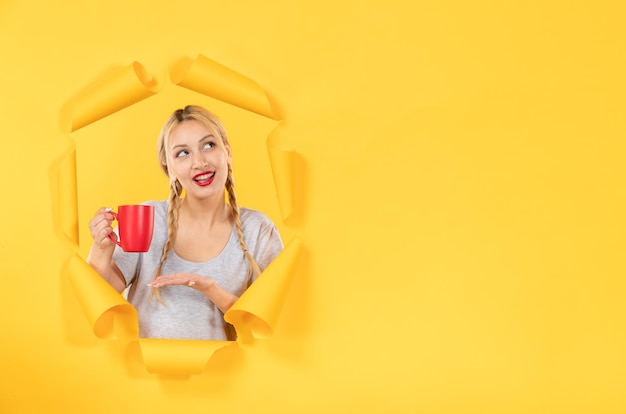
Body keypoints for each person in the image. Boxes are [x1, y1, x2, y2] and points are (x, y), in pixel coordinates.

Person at [87, 105, 284, 340]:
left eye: (209, 145)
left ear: (227, 153)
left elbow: (271, 324)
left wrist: (210, 289)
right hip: (147, 374)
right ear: (168, 168)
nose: (199, 162)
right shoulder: (149, 218)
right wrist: (101, 249)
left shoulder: (259, 230)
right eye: (183, 153)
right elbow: (98, 299)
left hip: (227, 374)